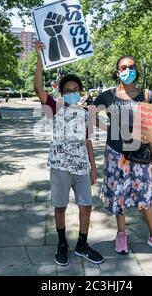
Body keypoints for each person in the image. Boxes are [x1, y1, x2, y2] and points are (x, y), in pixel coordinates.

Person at [92, 56, 152, 256]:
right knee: (119, 194)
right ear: (117, 71)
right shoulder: (107, 96)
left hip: (139, 154)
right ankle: (121, 234)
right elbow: (90, 114)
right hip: (115, 153)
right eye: (123, 67)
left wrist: (150, 135)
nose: (128, 70)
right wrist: (108, 129)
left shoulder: (146, 96)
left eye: (131, 67)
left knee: (144, 194)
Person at [34, 40, 104, 266]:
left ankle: (82, 244)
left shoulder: (86, 113)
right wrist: (38, 57)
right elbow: (38, 88)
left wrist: (94, 168)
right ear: (61, 93)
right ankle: (62, 243)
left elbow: (88, 141)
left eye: (76, 90)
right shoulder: (54, 107)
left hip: (82, 168)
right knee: (60, 207)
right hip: (60, 167)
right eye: (68, 91)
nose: (72, 93)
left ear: (80, 93)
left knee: (86, 206)